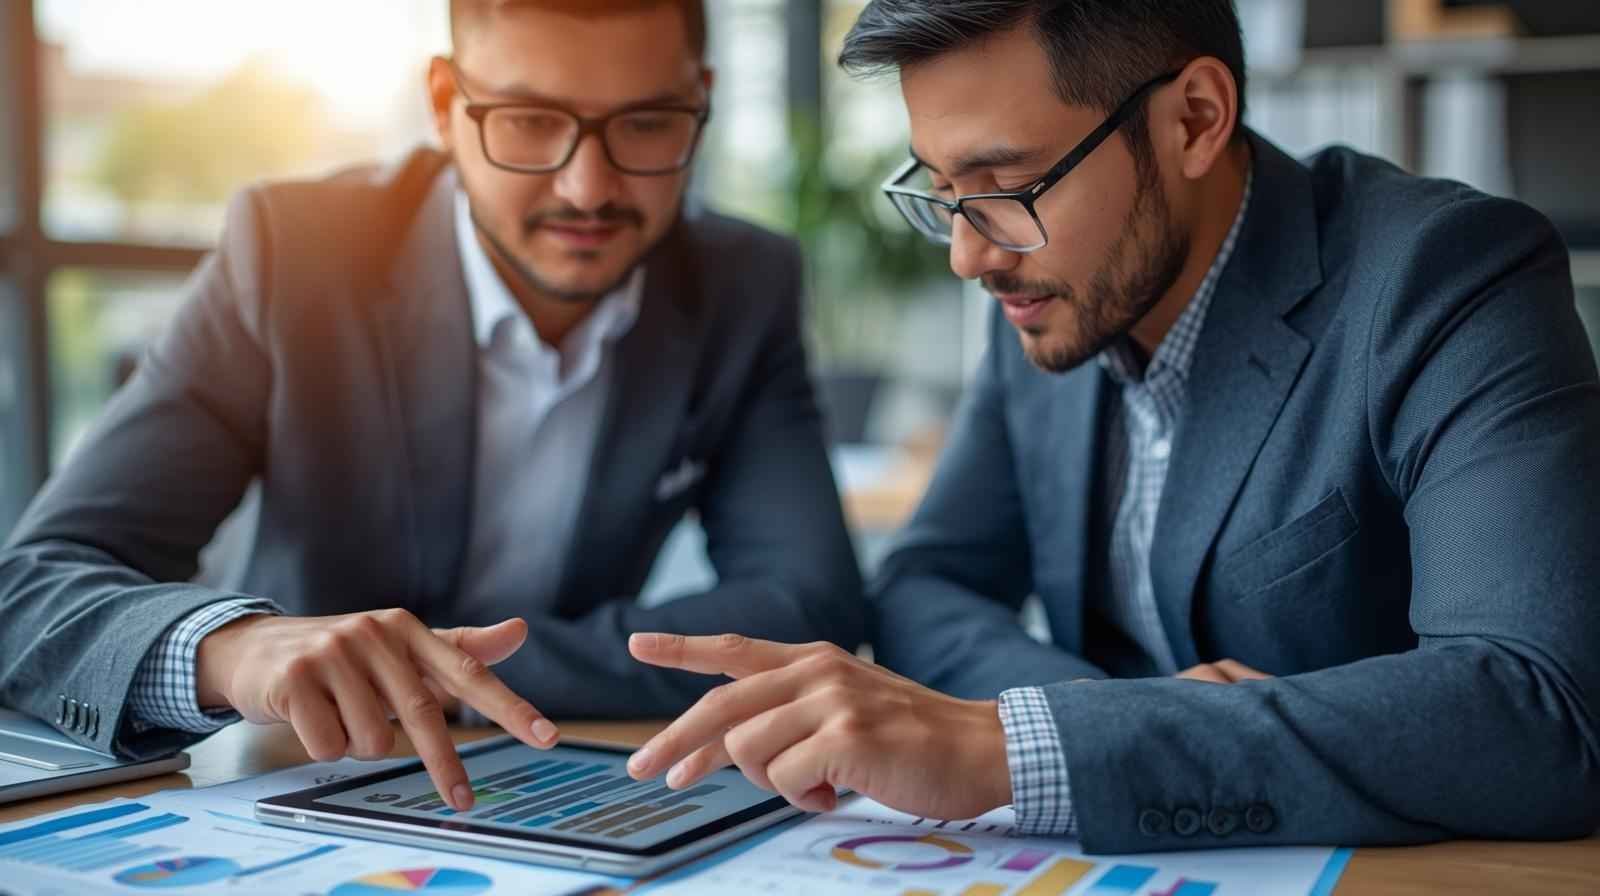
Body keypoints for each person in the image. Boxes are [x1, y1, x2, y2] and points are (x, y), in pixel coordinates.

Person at [621, 0, 1600, 854]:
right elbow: (929, 582)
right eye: (944, 187)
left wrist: (1017, 746)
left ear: (1194, 119)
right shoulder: (1047, 277)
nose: (968, 253)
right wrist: (1087, 728)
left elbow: (1540, 709)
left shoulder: (1449, 282)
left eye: (1004, 184)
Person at [0, 0, 863, 813]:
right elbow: (32, 587)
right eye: (530, 121)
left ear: (700, 103)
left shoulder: (741, 285)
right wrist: (228, 650)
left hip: (567, 775)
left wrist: (442, 674)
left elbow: (804, 605)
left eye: (646, 123)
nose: (586, 187)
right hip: (291, 780)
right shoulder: (292, 252)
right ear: (446, 104)